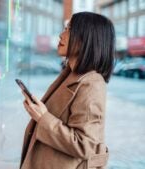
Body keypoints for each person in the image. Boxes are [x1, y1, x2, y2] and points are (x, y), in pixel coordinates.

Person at [20, 12, 115, 169]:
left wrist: (43, 118)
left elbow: (85, 145)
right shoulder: (70, 74)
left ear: (86, 38)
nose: (61, 34)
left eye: (68, 29)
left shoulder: (91, 84)